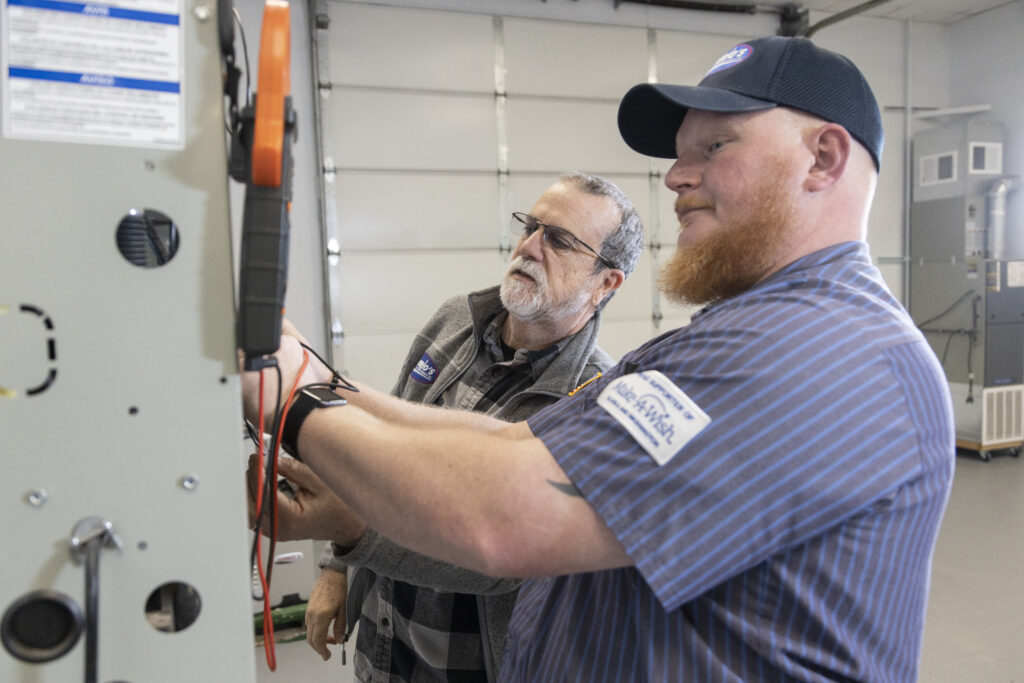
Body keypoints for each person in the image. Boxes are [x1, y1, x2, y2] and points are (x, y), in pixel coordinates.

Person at [242, 36, 955, 682]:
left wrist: (287, 400)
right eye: (682, 151)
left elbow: (504, 512)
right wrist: (308, 370)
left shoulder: (809, 352)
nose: (677, 175)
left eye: (715, 147)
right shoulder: (750, 331)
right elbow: (517, 443)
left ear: (823, 157)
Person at [252, 171, 644, 682]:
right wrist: (336, 567)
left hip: (469, 666)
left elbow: (499, 560)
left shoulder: (592, 397)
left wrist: (348, 527)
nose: (528, 247)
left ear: (606, 282)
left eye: (559, 240)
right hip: (386, 645)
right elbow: (381, 441)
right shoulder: (457, 320)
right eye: (530, 226)